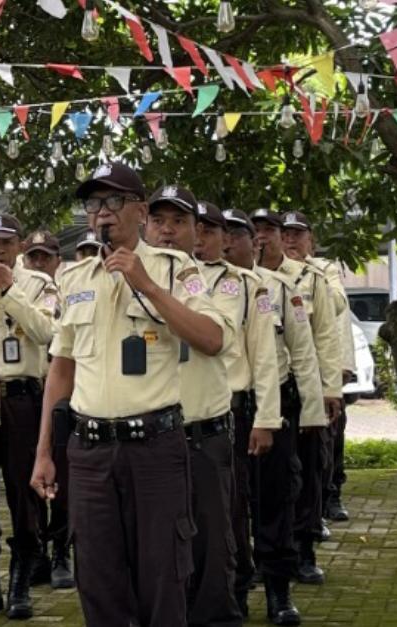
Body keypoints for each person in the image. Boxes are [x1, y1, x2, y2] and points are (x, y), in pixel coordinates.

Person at [30, 162, 230, 626]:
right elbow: (61, 369)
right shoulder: (75, 278)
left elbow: (212, 339)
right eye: (94, 203)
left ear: (141, 211)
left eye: (114, 201)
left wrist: (146, 284)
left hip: (154, 450)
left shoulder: (177, 269)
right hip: (89, 453)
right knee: (98, 583)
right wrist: (44, 452)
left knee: (163, 580)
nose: (103, 213)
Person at [144, 185, 244, 627]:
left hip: (203, 434)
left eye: (179, 223)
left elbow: (210, 339)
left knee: (211, 548)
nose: (167, 232)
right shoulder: (124, 280)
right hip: (150, 438)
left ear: (197, 232)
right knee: (158, 552)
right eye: (159, 222)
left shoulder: (221, 284)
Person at [0, 215, 57, 620]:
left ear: (19, 246)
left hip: (21, 398)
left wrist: (9, 290)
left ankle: (22, 576)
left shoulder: (39, 283)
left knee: (24, 492)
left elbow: (47, 333)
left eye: (6, 242)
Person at [239, 208, 325, 625]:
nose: (257, 238)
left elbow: (305, 351)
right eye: (247, 231)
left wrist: (313, 409)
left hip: (277, 404)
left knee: (276, 498)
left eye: (262, 231)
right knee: (231, 504)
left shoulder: (281, 286)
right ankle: (234, 586)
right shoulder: (197, 286)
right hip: (224, 407)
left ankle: (278, 589)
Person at [193, 203, 280, 617]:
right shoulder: (167, 280)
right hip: (182, 414)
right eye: (199, 229)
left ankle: (237, 589)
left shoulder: (246, 286)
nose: (201, 238)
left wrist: (265, 419)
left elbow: (264, 357)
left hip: (233, 411)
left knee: (231, 510)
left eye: (210, 231)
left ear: (224, 238)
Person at [257, 209, 342, 586]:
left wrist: (328, 390)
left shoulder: (309, 279)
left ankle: (304, 548)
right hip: (259, 392)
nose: (267, 238)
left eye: (273, 231)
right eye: (255, 230)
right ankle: (263, 554)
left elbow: (324, 335)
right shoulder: (241, 281)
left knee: (306, 471)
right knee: (266, 480)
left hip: (298, 391)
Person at [281, 212, 354, 524]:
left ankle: (330, 496)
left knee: (327, 440)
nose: (291, 240)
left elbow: (336, 304)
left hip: (320, 370)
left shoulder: (324, 270)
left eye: (298, 234)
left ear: (311, 239)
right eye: (285, 234)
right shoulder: (264, 272)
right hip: (284, 370)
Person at [20, 229, 74, 588]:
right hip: (29, 396)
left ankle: (61, 552)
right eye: (34, 257)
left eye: (46, 257)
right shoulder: (20, 290)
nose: (39, 263)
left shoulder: (72, 289)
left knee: (66, 479)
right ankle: (36, 550)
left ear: (57, 260)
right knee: (32, 476)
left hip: (65, 395)